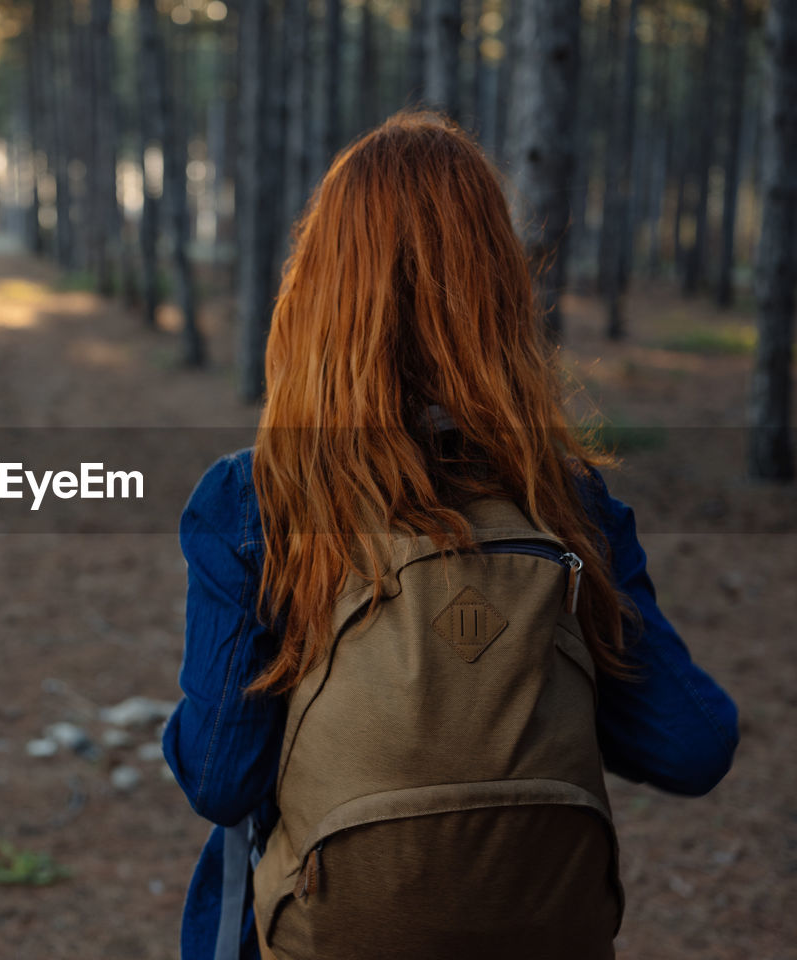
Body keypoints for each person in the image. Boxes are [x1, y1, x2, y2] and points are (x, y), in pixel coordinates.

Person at [161, 113, 739, 960]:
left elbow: (220, 778)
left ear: (320, 291)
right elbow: (693, 747)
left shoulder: (257, 498)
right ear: (497, 289)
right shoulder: (564, 499)